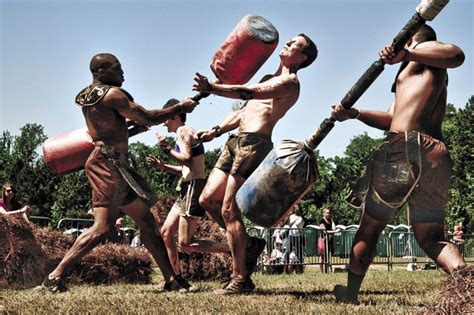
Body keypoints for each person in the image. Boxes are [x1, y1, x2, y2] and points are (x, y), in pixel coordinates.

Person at [38, 53, 198, 293]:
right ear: (101, 71)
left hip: (114, 163)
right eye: (117, 68)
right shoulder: (113, 94)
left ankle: (172, 280)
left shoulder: (90, 96)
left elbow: (108, 130)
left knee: (147, 222)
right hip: (107, 164)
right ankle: (54, 277)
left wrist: (130, 128)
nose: (123, 72)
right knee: (103, 227)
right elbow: (148, 116)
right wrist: (179, 107)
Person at [331, 25, 466, 304]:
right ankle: (467, 285)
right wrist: (354, 114)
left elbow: (457, 56)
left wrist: (407, 51)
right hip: (434, 155)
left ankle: (350, 294)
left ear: (410, 38)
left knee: (370, 227)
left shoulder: (425, 53)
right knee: (430, 236)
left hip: (403, 148)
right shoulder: (413, 69)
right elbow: (391, 117)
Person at [194, 34, 318, 294]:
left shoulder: (289, 82)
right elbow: (243, 109)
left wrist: (212, 89)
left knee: (229, 210)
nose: (287, 43)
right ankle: (248, 245)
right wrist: (215, 130)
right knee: (208, 201)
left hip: (255, 144)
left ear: (302, 57)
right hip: (235, 141)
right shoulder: (266, 78)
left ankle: (241, 279)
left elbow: (247, 91)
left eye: (294, 44)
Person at [146, 98, 229, 280]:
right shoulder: (185, 131)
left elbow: (186, 158)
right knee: (166, 232)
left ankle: (236, 248)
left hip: (193, 187)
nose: (164, 121)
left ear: (174, 116)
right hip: (187, 187)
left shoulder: (183, 131)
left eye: (166, 117)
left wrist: (166, 149)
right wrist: (164, 166)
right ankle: (175, 278)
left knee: (185, 244)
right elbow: (187, 168)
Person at [319, 207, 339, 273]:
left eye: (329, 213)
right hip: (323, 239)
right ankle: (321, 271)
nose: (328, 214)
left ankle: (327, 270)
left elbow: (334, 228)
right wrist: (334, 232)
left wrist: (332, 220)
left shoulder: (330, 221)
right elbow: (324, 231)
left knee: (328, 255)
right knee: (322, 257)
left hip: (329, 239)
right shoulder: (321, 220)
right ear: (324, 213)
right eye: (327, 213)